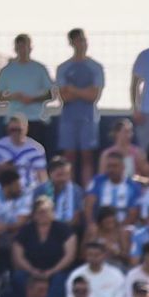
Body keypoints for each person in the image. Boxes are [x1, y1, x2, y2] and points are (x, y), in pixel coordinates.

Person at [56, 29, 105, 185]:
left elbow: (93, 96)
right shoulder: (63, 68)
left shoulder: (96, 67)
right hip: (68, 118)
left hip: (89, 118)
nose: (82, 43)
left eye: (84, 40)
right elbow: (64, 97)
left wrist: (73, 89)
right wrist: (84, 91)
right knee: (69, 157)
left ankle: (87, 190)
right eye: (78, 40)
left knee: (87, 157)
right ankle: (69, 191)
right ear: (71, 43)